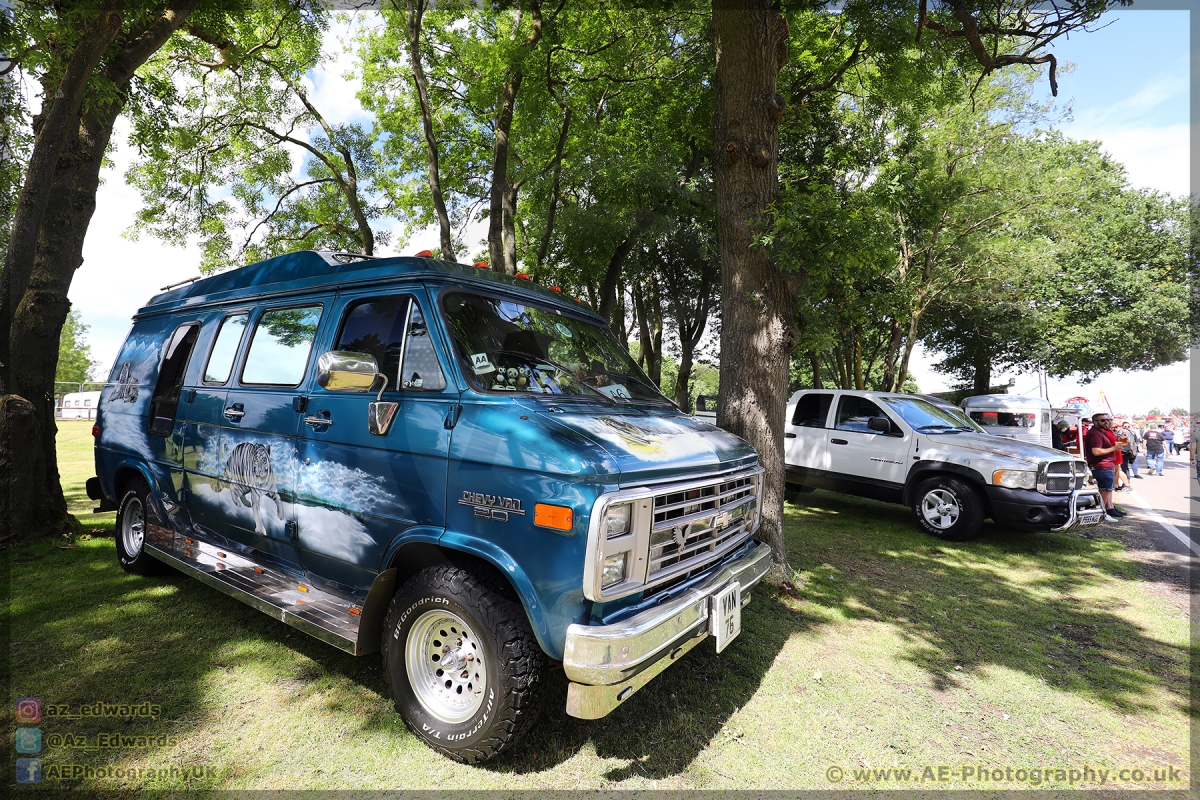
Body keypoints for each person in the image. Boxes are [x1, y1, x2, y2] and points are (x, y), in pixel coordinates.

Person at [1083, 413, 1125, 521]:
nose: (1106, 422)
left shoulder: (1100, 432)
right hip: (1102, 465)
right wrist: (1114, 449)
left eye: (1108, 420)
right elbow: (1096, 452)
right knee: (1105, 489)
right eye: (1103, 420)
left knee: (1107, 488)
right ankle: (1101, 512)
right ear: (1095, 422)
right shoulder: (1095, 434)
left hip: (1106, 464)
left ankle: (1106, 510)